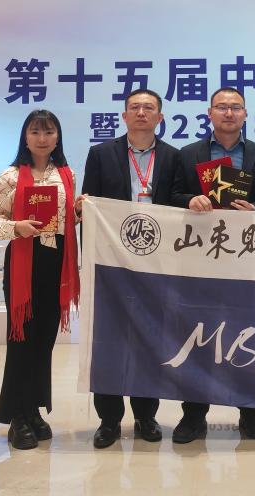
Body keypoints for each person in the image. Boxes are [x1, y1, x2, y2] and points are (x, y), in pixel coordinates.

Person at [170, 86, 255, 443]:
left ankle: (250, 411)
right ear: (209, 113)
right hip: (200, 257)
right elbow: (171, 196)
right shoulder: (188, 154)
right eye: (222, 107)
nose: (229, 113)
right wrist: (191, 200)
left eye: (235, 107)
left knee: (248, 333)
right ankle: (193, 414)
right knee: (197, 333)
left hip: (246, 257)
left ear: (245, 114)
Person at [80, 88, 182, 449]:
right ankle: (108, 420)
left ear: (160, 117)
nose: (141, 112)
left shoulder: (174, 157)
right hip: (111, 263)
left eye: (149, 108)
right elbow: (89, 206)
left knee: (149, 340)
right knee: (108, 340)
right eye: (135, 107)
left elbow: (179, 205)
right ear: (124, 116)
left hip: (157, 265)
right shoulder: (101, 154)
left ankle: (145, 416)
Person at [0, 109, 79, 450]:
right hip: (24, 263)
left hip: (57, 264)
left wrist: (79, 212)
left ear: (58, 138)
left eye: (49, 132)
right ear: (25, 138)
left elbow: (65, 221)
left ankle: (35, 409)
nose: (43, 138)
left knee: (44, 341)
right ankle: (17, 416)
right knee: (21, 340)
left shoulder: (67, 175)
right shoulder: (9, 177)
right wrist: (17, 228)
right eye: (36, 132)